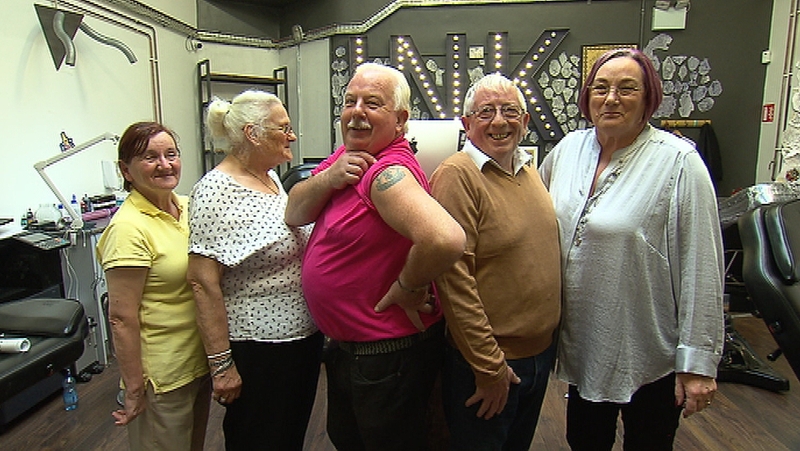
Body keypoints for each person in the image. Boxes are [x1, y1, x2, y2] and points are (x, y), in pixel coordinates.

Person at [538, 48, 724, 450]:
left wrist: (699, 364)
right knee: (584, 441)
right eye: (600, 88)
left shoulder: (678, 162)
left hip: (647, 349)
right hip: (584, 347)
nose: (611, 98)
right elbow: (528, 209)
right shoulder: (568, 150)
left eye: (627, 88)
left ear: (649, 98)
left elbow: (702, 266)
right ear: (587, 97)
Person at [284, 62, 466, 451]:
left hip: (386, 359)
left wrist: (407, 285)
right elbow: (294, 211)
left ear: (400, 120)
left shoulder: (387, 174)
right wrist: (330, 177)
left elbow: (446, 239)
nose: (357, 112)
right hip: (356, 353)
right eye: (350, 102)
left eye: (372, 103)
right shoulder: (348, 157)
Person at [429, 73, 561, 451]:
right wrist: (488, 366)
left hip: (537, 356)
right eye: (486, 112)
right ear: (467, 124)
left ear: (525, 119)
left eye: (510, 111)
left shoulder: (529, 170)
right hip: (490, 363)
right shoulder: (458, 175)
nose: (499, 121)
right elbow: (454, 280)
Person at [186, 90, 323, 451]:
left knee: (288, 437)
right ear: (253, 133)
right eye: (284, 128)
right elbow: (202, 282)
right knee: (258, 440)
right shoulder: (214, 191)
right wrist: (221, 366)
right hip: (259, 350)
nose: (292, 136)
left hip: (299, 343)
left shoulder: (271, 178)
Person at [96, 122, 210, 451]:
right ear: (126, 170)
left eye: (170, 154)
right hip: (163, 376)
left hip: (198, 362)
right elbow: (121, 317)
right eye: (150, 157)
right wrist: (133, 388)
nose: (164, 164)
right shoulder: (128, 228)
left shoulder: (189, 207)